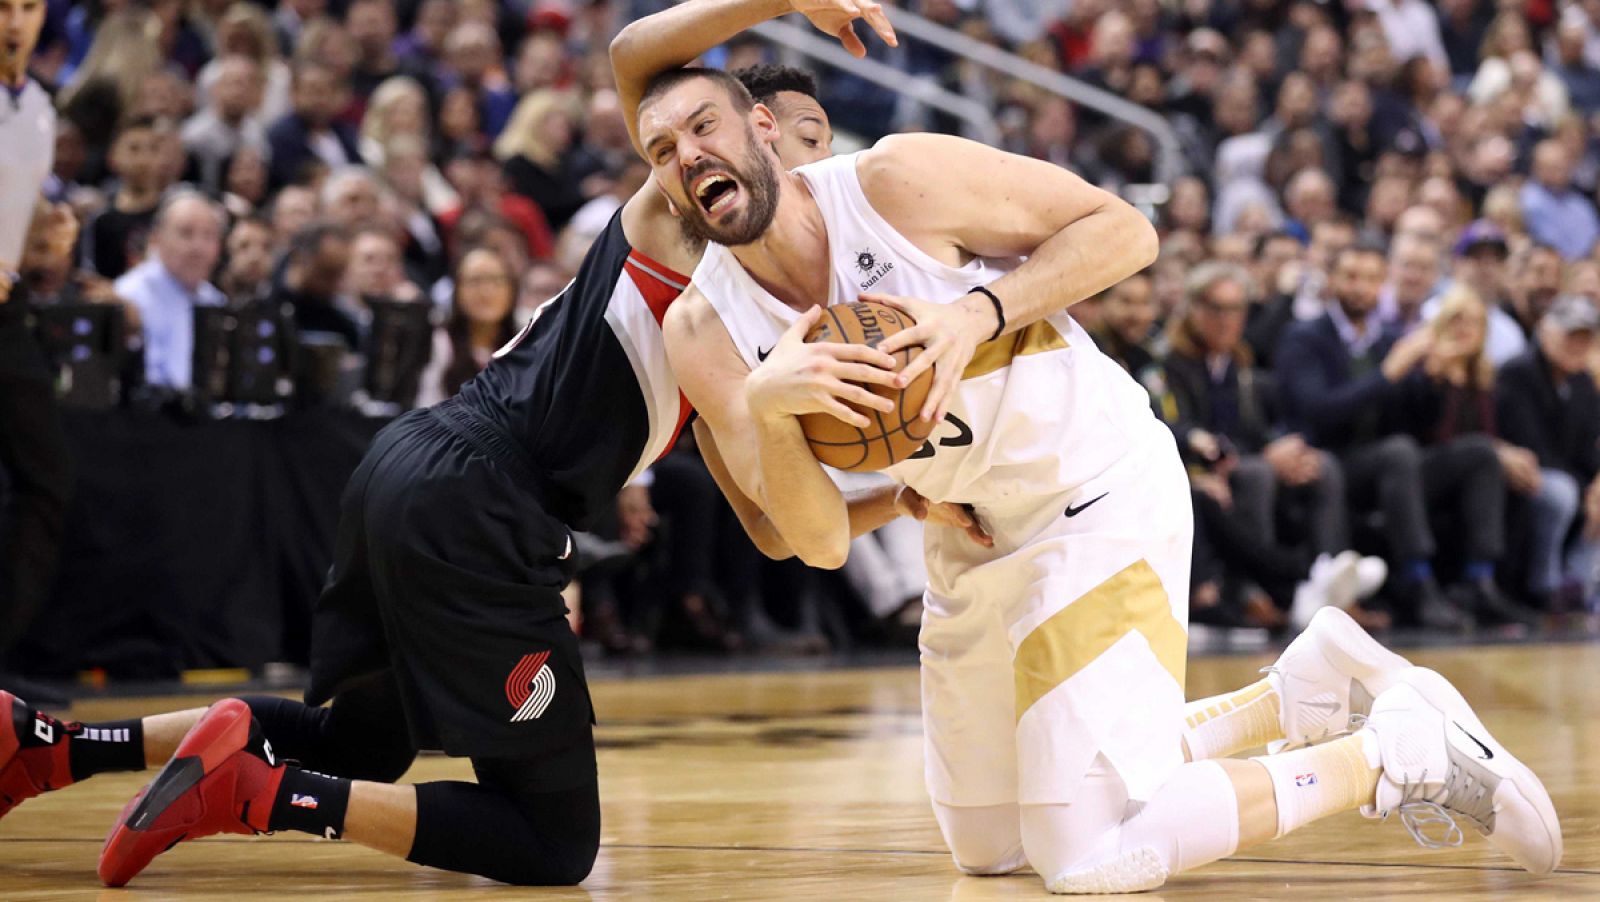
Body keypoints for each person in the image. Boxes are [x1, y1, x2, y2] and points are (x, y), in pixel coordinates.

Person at [0, 1, 944, 890]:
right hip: (481, 504)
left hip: (421, 471)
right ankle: (258, 796)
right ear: (755, 132)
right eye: (806, 140)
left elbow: (775, 529)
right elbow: (631, 56)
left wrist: (891, 500)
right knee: (554, 841)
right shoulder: (683, 225)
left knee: (358, 744)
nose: (825, 171)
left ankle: (58, 748)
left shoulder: (750, 332)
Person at [644, 66, 1559, 893]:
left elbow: (1127, 231)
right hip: (976, 536)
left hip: (1095, 489)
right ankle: (1291, 693)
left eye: (703, 128)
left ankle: (1398, 751)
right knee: (989, 847)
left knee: (1087, 853)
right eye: (661, 151)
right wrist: (772, 407)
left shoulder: (894, 183)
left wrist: (976, 313)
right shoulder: (705, 331)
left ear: (763, 127)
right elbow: (812, 540)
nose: (688, 156)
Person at [0, 0, 71, 698]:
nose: (15, 22)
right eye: (3, 8)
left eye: (26, 6)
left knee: (46, 481)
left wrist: (44, 245)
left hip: (9, 313)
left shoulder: (39, 108)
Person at [1496, 296, 1600, 611]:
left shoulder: (1581, 382)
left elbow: (1589, 447)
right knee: (1561, 492)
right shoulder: (1518, 372)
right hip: (1524, 474)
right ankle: (1545, 584)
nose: (1577, 344)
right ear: (1545, 332)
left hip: (1567, 474)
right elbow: (1534, 448)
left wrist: (1597, 483)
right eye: (1571, 334)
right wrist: (1587, 490)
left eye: (1585, 336)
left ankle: (1580, 582)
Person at [112, 191, 228, 391]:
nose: (198, 247)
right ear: (157, 239)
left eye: (208, 236)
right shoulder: (128, 295)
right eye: (186, 233)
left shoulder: (216, 303)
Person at [414, 246, 517, 408]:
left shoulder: (526, 342)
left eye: (496, 280)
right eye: (475, 281)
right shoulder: (439, 342)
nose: (486, 292)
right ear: (456, 289)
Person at [83, 116, 174, 280]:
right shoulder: (101, 220)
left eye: (153, 149)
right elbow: (92, 280)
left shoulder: (174, 215)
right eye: (134, 149)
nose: (143, 160)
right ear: (113, 157)